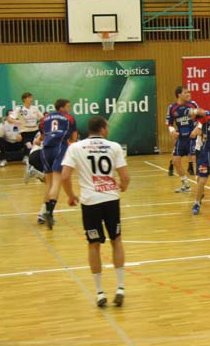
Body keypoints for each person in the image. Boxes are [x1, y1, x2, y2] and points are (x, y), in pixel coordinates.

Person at [61, 116, 129, 307]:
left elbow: (65, 176)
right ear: (103, 128)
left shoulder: (75, 147)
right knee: (116, 240)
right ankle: (120, 288)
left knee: (93, 245)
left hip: (90, 202)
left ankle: (100, 292)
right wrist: (123, 185)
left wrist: (71, 195)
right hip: (111, 200)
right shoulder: (114, 147)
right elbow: (125, 176)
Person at [40, 99, 77, 229]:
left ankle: (45, 211)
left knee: (48, 184)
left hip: (45, 150)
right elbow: (73, 139)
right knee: (57, 182)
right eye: (68, 106)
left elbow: (42, 136)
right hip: (59, 148)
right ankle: (50, 213)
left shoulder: (45, 118)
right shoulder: (69, 118)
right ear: (61, 108)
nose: (69, 109)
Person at [166, 86, 198, 193]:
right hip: (181, 138)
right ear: (179, 94)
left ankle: (200, 186)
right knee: (175, 160)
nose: (188, 94)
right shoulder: (172, 107)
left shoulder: (192, 104)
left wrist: (196, 130)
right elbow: (169, 123)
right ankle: (185, 185)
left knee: (194, 160)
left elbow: (202, 119)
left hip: (192, 137)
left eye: (188, 92)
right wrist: (172, 131)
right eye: (185, 92)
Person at [10, 92, 44, 162]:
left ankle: (36, 161)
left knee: (37, 146)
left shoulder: (34, 108)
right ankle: (28, 159)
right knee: (29, 146)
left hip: (35, 130)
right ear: (24, 99)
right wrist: (16, 122)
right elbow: (10, 118)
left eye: (31, 97)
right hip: (25, 131)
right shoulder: (19, 109)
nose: (31, 99)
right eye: (29, 98)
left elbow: (42, 118)